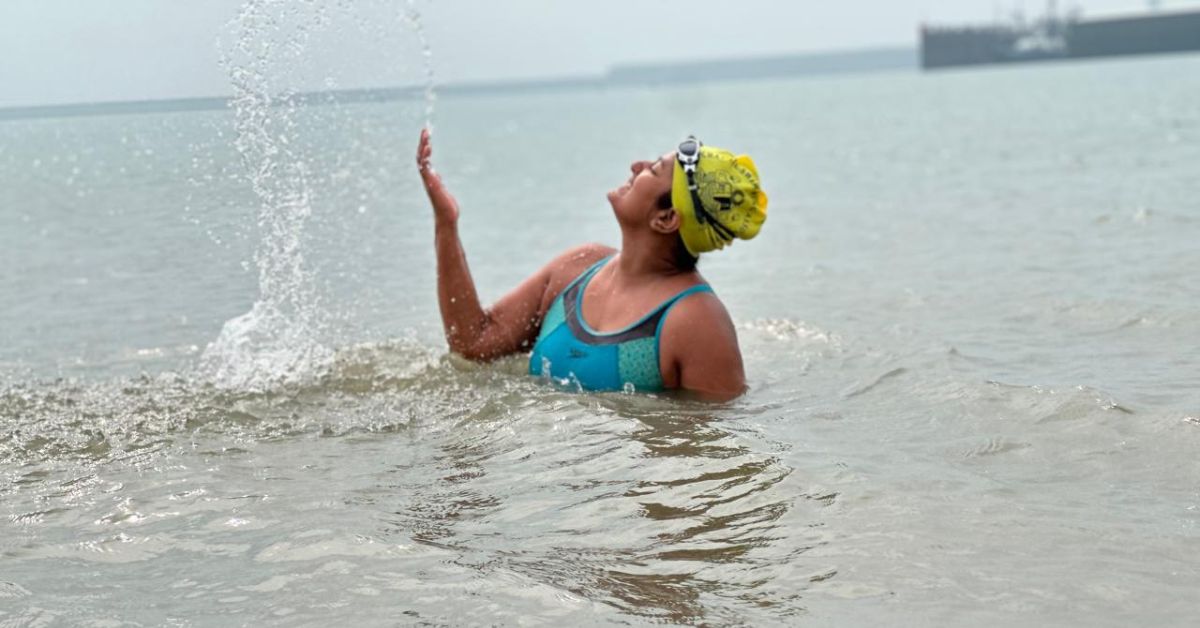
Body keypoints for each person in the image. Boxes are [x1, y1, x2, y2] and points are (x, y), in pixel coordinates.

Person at [415, 129, 768, 401]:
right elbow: (472, 344)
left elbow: (715, 453)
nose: (637, 166)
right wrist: (446, 225)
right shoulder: (576, 269)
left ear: (666, 218)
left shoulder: (695, 322)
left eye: (654, 170)